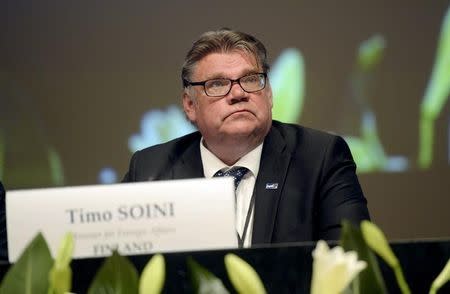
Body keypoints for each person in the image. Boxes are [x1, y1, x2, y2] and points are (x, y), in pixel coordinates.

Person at [123, 28, 370, 247]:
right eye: (218, 84)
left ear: (270, 94)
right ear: (189, 105)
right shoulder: (150, 170)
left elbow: (351, 258)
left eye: (251, 79)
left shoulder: (320, 158)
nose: (239, 93)